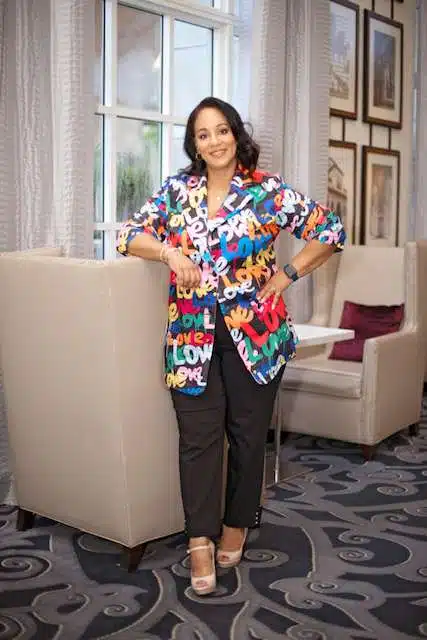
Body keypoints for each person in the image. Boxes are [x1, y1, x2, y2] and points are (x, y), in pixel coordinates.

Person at [117, 96, 346, 596]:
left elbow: (329, 230)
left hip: (256, 336)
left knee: (246, 437)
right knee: (197, 440)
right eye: (203, 134)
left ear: (236, 135)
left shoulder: (265, 190)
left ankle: (238, 523)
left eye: (222, 130)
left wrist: (286, 275)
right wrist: (168, 251)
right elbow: (129, 234)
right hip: (190, 337)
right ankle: (200, 540)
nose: (214, 141)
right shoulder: (177, 191)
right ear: (193, 144)